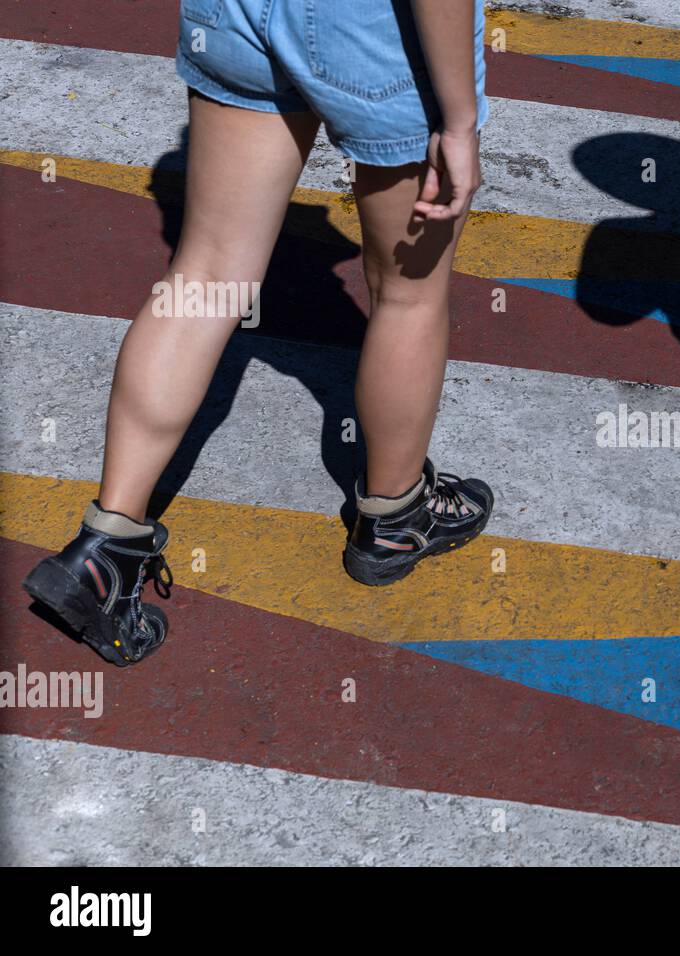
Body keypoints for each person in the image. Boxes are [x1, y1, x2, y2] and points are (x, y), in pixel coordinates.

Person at [22, 0, 494, 665]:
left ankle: (106, 549)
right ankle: (393, 518)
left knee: (207, 276)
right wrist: (461, 118)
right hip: (373, 30)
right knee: (408, 295)